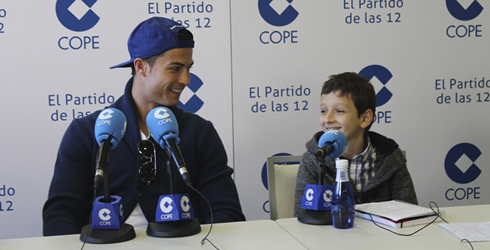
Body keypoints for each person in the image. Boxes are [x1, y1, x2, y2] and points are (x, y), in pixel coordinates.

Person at [43, 17, 245, 236]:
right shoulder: (86, 132)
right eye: (175, 68)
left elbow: (226, 211)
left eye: (188, 68)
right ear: (140, 67)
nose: (186, 79)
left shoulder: (199, 132)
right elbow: (60, 213)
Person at [294, 72, 417, 216]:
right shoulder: (313, 159)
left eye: (339, 111)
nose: (328, 119)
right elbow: (301, 217)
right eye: (323, 111)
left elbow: (409, 214)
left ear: (365, 118)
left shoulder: (391, 159)